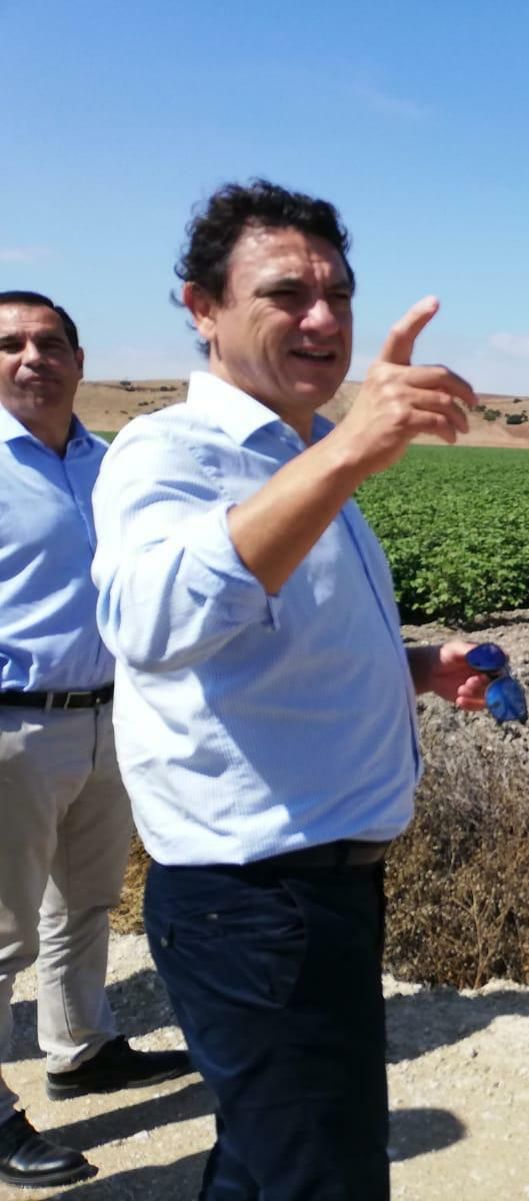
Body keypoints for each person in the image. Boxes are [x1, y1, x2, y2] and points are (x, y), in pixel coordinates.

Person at [91, 180, 491, 1199]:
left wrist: (414, 670)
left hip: (316, 891)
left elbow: (265, 646)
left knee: (267, 1162)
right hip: (254, 901)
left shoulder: (302, 451)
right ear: (202, 308)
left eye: (339, 295)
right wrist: (354, 448)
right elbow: (146, 623)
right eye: (286, 293)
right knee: (323, 1180)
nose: (323, 319)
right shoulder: (169, 454)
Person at [0, 292, 193, 1189]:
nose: (30, 357)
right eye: (9, 344)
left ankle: (78, 1045)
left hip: (109, 715)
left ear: (80, 360)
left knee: (82, 900)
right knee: (1, 934)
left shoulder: (109, 464)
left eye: (48, 342)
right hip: (13, 724)